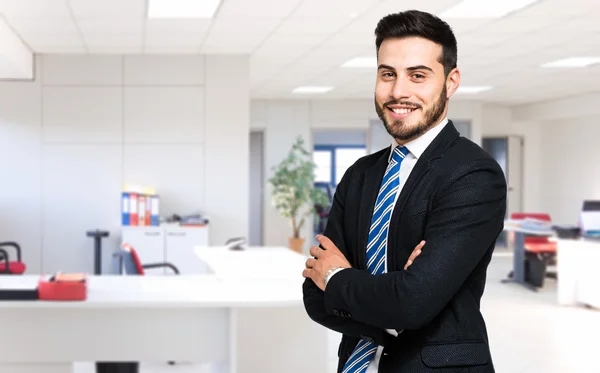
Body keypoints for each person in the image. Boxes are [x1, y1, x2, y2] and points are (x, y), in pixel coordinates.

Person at [302, 9, 507, 373]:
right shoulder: (359, 175)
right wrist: (391, 302)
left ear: (451, 81)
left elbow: (413, 302)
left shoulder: (473, 174)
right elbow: (314, 298)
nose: (398, 91)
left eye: (418, 75)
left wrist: (338, 278)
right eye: (387, 74)